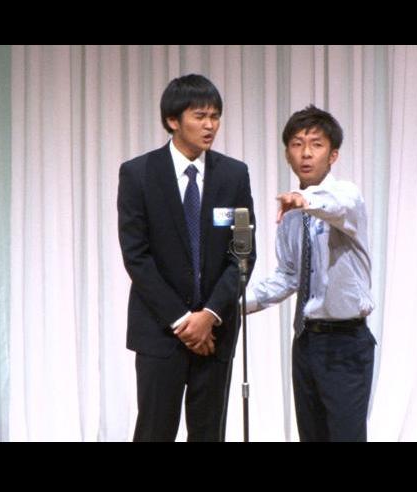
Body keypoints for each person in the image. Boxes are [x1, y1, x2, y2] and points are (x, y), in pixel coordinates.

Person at [117, 74, 256, 441]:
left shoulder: (233, 174)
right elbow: (137, 256)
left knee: (209, 433)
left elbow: (243, 253)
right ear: (172, 120)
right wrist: (183, 321)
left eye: (215, 116)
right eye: (200, 116)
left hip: (216, 332)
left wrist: (209, 315)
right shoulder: (138, 174)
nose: (210, 125)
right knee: (154, 431)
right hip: (160, 331)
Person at [245, 105, 376, 442]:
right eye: (297, 144)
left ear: (333, 155)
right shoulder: (290, 214)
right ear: (287, 153)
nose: (305, 153)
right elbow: (288, 276)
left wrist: (305, 200)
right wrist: (231, 304)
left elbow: (335, 205)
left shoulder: (346, 196)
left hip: (345, 343)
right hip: (305, 341)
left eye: (316, 144)